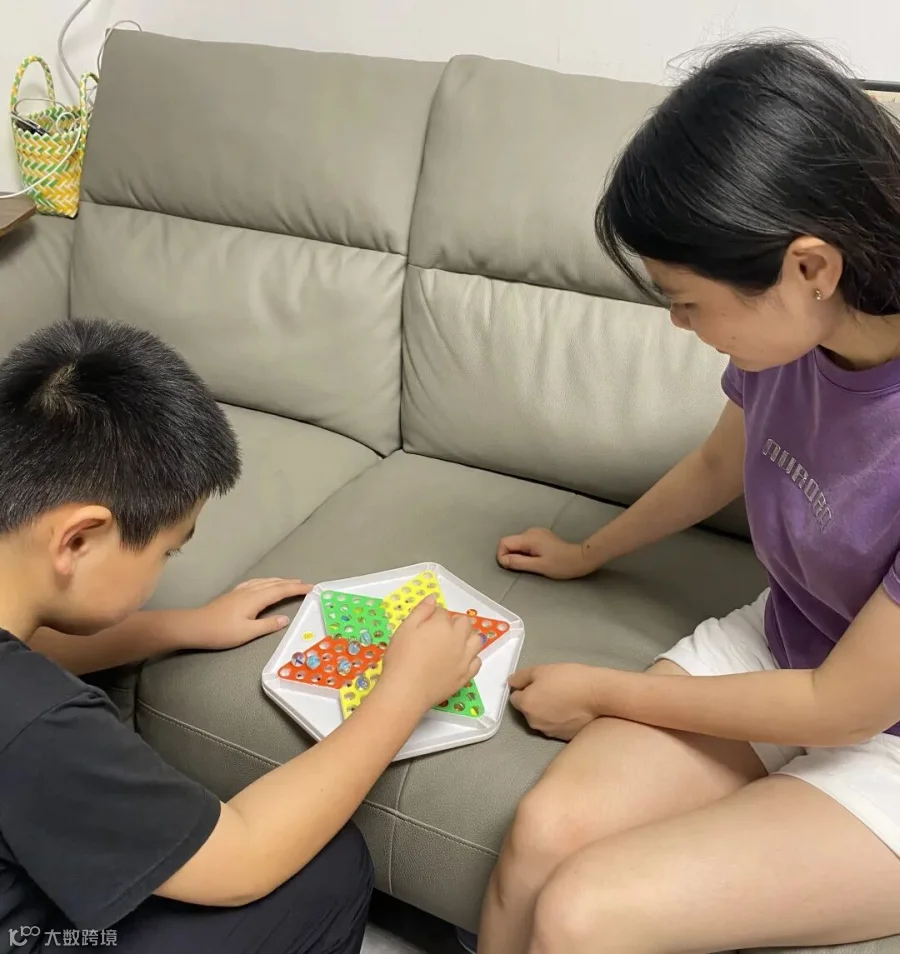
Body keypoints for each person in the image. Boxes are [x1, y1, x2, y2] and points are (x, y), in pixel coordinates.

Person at [474, 39, 900, 954]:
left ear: (812, 268)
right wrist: (588, 552)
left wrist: (609, 692)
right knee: (545, 834)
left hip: (875, 723)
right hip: (796, 640)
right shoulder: (794, 343)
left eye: (687, 300)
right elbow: (716, 467)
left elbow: (843, 708)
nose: (676, 324)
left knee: (587, 912)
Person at [0, 318, 482, 954]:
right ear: (78, 540)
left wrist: (181, 625)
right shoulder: (38, 723)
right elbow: (241, 860)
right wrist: (405, 691)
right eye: (169, 551)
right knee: (330, 868)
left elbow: (26, 645)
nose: (165, 568)